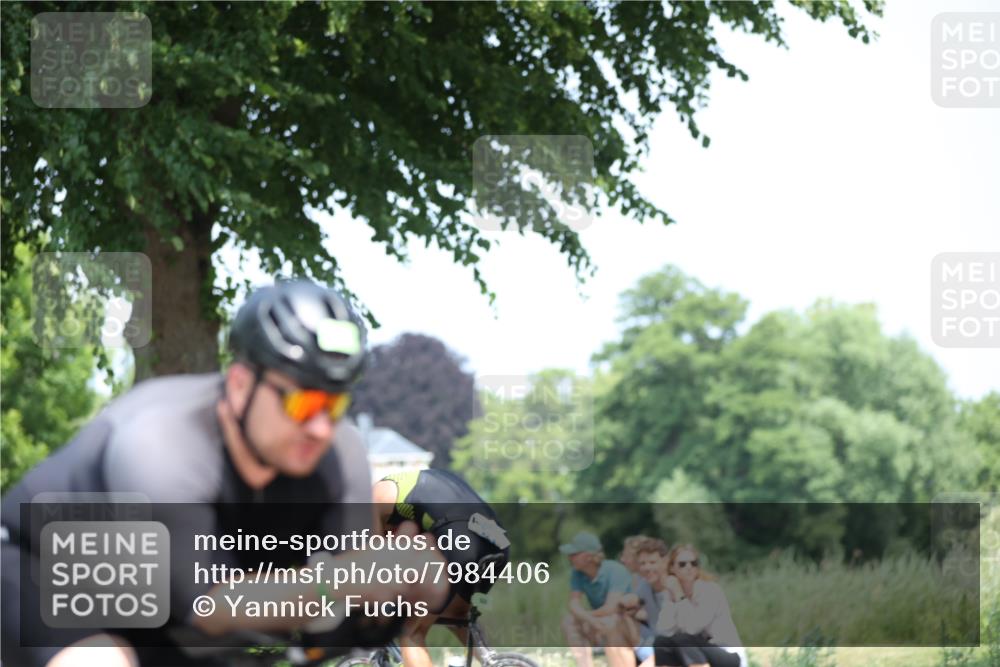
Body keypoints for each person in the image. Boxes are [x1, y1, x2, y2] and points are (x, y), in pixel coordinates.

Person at [1, 280, 448, 667]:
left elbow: (348, 613)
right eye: (303, 403)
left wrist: (408, 591)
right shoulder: (162, 445)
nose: (319, 427)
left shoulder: (338, 452)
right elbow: (211, 607)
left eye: (334, 405)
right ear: (239, 386)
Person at [372, 468, 511, 667]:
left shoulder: (374, 498)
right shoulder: (415, 497)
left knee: (409, 632)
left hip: (461, 539)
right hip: (497, 542)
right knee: (455, 616)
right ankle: (498, 662)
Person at [653, 544, 746, 667]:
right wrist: (673, 599)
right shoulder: (671, 594)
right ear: (672, 568)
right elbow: (663, 630)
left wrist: (679, 595)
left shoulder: (710, 591)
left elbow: (692, 629)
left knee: (683, 639)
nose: (689, 567)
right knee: (661, 642)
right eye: (682, 564)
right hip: (696, 650)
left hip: (728, 654)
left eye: (694, 563)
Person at [560, 532, 638, 667]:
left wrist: (586, 617)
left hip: (629, 621)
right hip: (600, 618)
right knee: (568, 622)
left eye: (574, 554)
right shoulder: (577, 573)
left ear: (588, 556)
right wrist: (589, 619)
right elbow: (573, 603)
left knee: (610, 622)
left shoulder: (615, 570)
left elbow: (611, 608)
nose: (570, 558)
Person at [619, 537, 670, 667]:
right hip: (654, 643)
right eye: (643, 564)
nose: (647, 568)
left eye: (652, 562)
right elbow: (630, 602)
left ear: (665, 562)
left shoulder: (676, 587)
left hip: (675, 648)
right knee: (617, 622)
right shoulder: (644, 586)